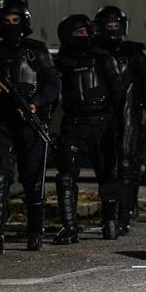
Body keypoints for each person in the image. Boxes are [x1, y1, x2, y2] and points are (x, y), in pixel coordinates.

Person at [0, 0, 60, 255]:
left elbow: (53, 84)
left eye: (16, 20)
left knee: (33, 179)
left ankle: (35, 231)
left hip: (31, 123)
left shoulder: (37, 51)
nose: (11, 25)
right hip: (2, 121)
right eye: (7, 20)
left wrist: (35, 104)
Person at [51, 14, 124, 242]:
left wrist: (120, 124)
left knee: (108, 174)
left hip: (101, 123)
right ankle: (70, 227)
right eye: (79, 33)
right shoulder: (61, 63)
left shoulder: (103, 59)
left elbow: (118, 93)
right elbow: (53, 94)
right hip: (73, 124)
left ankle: (110, 222)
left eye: (87, 31)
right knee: (65, 177)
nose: (85, 36)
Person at [94, 5, 146, 235]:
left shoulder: (134, 54)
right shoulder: (94, 53)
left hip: (129, 116)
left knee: (127, 167)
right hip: (101, 116)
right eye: (108, 25)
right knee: (106, 168)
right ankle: (109, 217)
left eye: (116, 25)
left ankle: (123, 215)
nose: (113, 29)